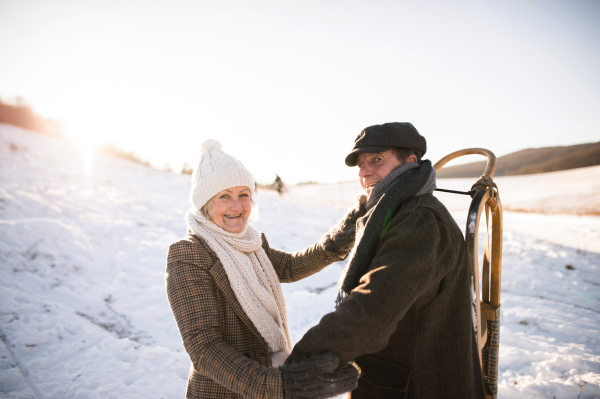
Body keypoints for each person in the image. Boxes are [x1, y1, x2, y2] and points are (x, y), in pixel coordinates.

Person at [285, 123, 487, 399]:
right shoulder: (389, 212)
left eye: (377, 160)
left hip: (419, 386)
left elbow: (372, 309)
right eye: (360, 163)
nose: (364, 171)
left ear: (410, 161)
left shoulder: (418, 221)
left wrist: (295, 364)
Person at [165, 139, 360, 399]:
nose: (237, 207)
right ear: (205, 204)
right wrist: (277, 385)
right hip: (226, 392)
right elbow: (204, 348)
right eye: (224, 196)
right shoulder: (189, 254)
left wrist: (337, 241)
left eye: (243, 195)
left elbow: (290, 267)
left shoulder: (252, 243)